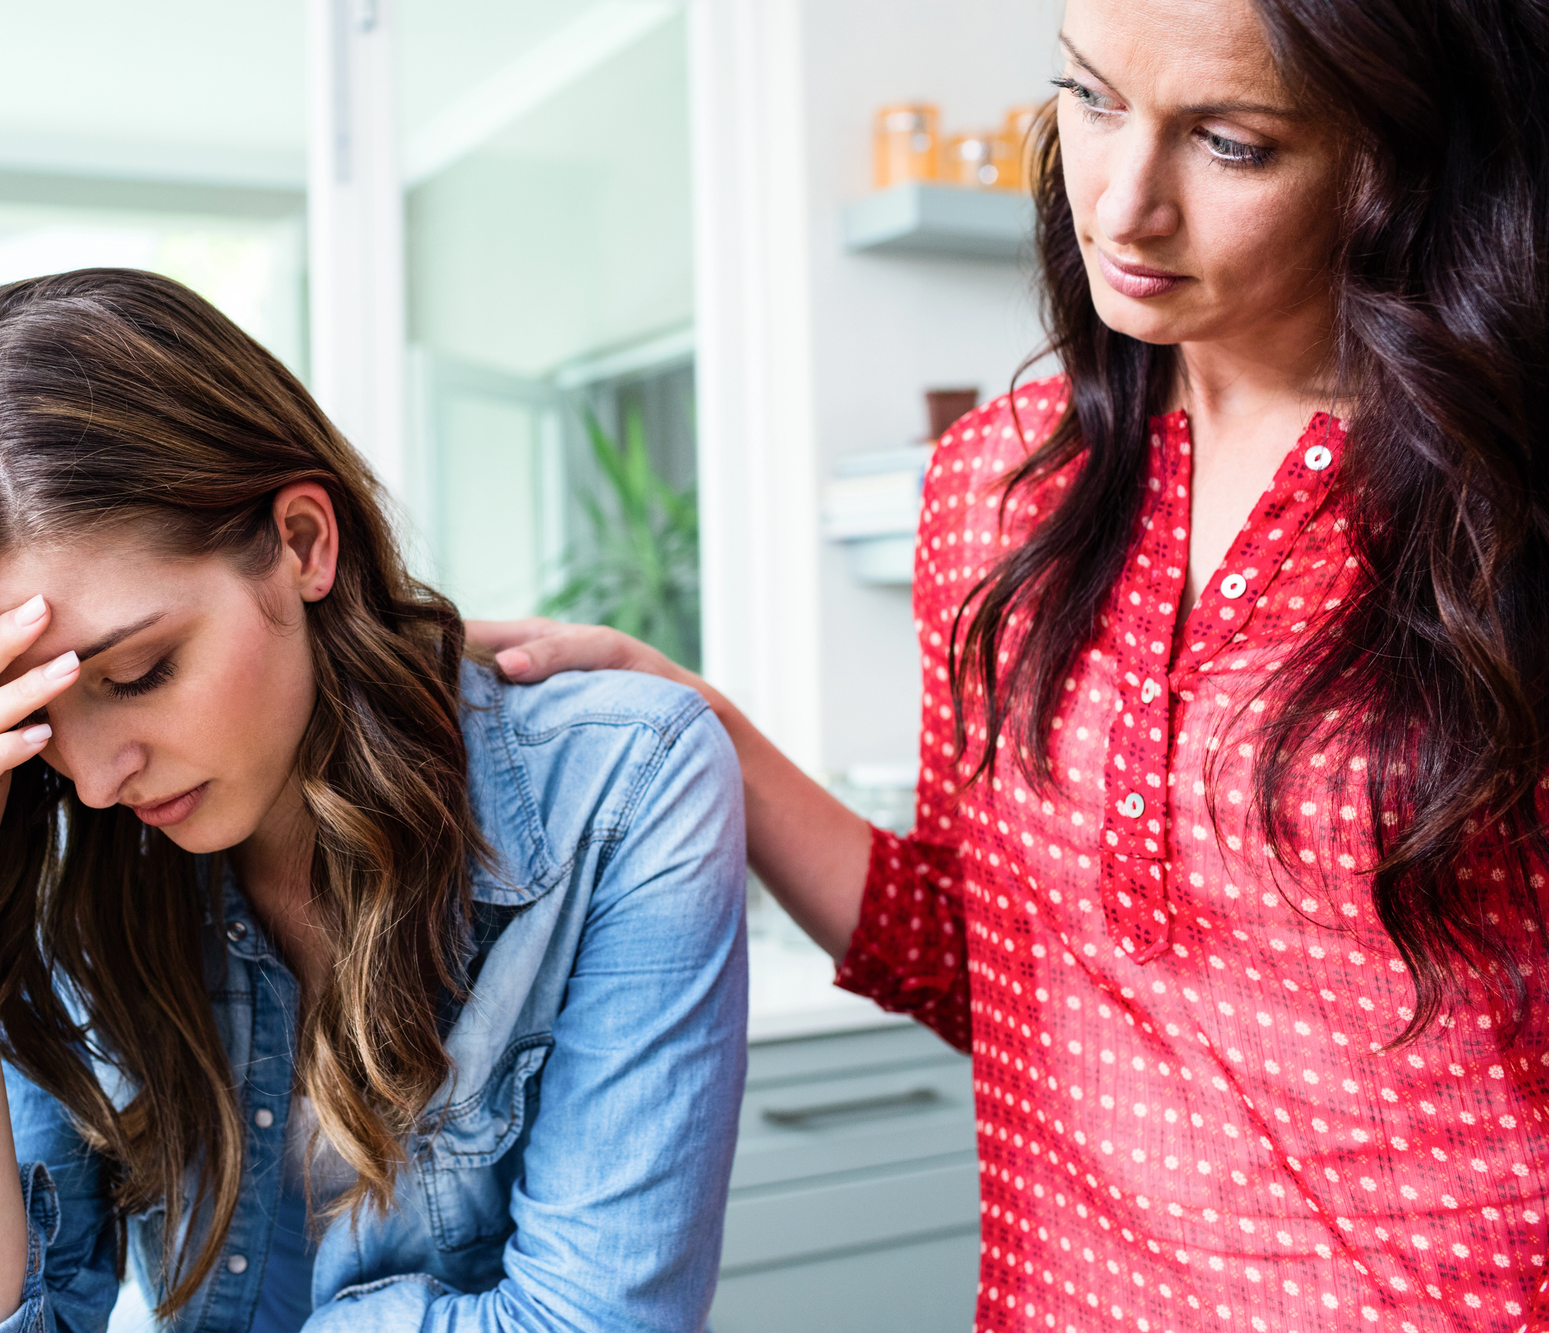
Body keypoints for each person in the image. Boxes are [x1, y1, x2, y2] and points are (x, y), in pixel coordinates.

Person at [474, 0, 1549, 1327]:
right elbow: (983, 965)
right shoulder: (998, 489)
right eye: (1092, 99)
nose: (1124, 202)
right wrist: (700, 725)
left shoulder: (1505, 504)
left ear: (1399, 156)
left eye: (1228, 142)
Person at [0, 268, 748, 1333]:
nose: (99, 780)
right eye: (41, 723)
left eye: (140, 672)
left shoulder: (621, 784)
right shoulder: (56, 835)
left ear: (300, 542)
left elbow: (593, 1324)